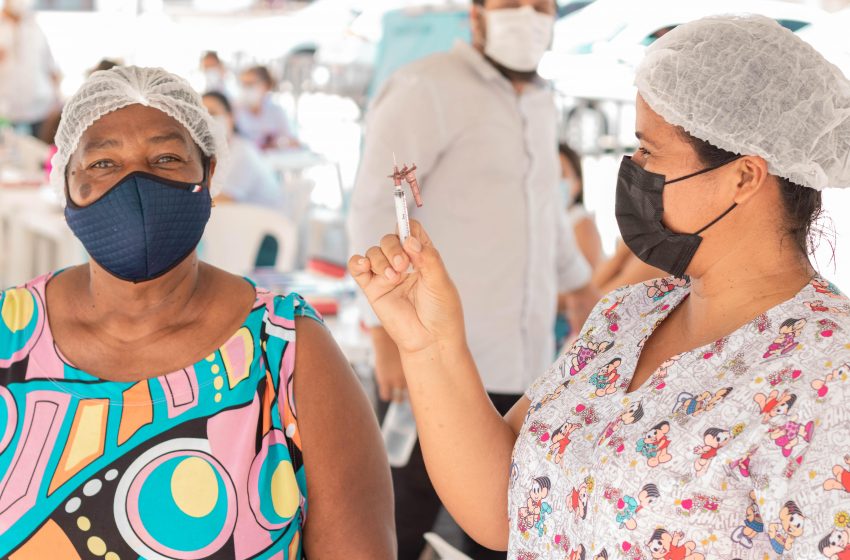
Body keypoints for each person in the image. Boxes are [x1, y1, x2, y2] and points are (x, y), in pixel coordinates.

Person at [350, 14, 850, 559]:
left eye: (650, 151)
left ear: (744, 177)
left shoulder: (828, 374)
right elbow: (504, 506)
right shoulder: (629, 316)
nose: (632, 168)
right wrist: (429, 343)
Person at [0, 66, 394, 559]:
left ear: (207, 174)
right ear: (66, 180)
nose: (135, 184)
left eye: (166, 158)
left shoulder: (289, 352)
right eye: (103, 163)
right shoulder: (7, 338)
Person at [347, 0, 598, 557]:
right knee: (400, 525)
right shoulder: (425, 87)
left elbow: (547, 215)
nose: (527, 16)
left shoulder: (541, 102)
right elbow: (373, 209)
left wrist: (583, 286)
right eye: (512, 4)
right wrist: (381, 332)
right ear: (478, 14)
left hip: (528, 368)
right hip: (435, 361)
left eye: (541, 6)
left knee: (505, 526)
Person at [202, 91, 282, 208]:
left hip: (264, 222)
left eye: (213, 113)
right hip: (243, 218)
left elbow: (223, 201)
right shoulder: (217, 153)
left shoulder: (241, 153)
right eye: (201, 114)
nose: (207, 119)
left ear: (230, 117)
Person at [0, 0, 60, 137]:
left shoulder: (36, 28)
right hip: (5, 113)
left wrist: (57, 101)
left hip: (39, 110)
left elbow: (51, 68)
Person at [235, 65, 298, 151]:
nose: (246, 89)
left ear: (266, 85)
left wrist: (279, 143)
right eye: (243, 84)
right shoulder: (234, 111)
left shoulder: (276, 111)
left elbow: (293, 141)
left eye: (250, 84)